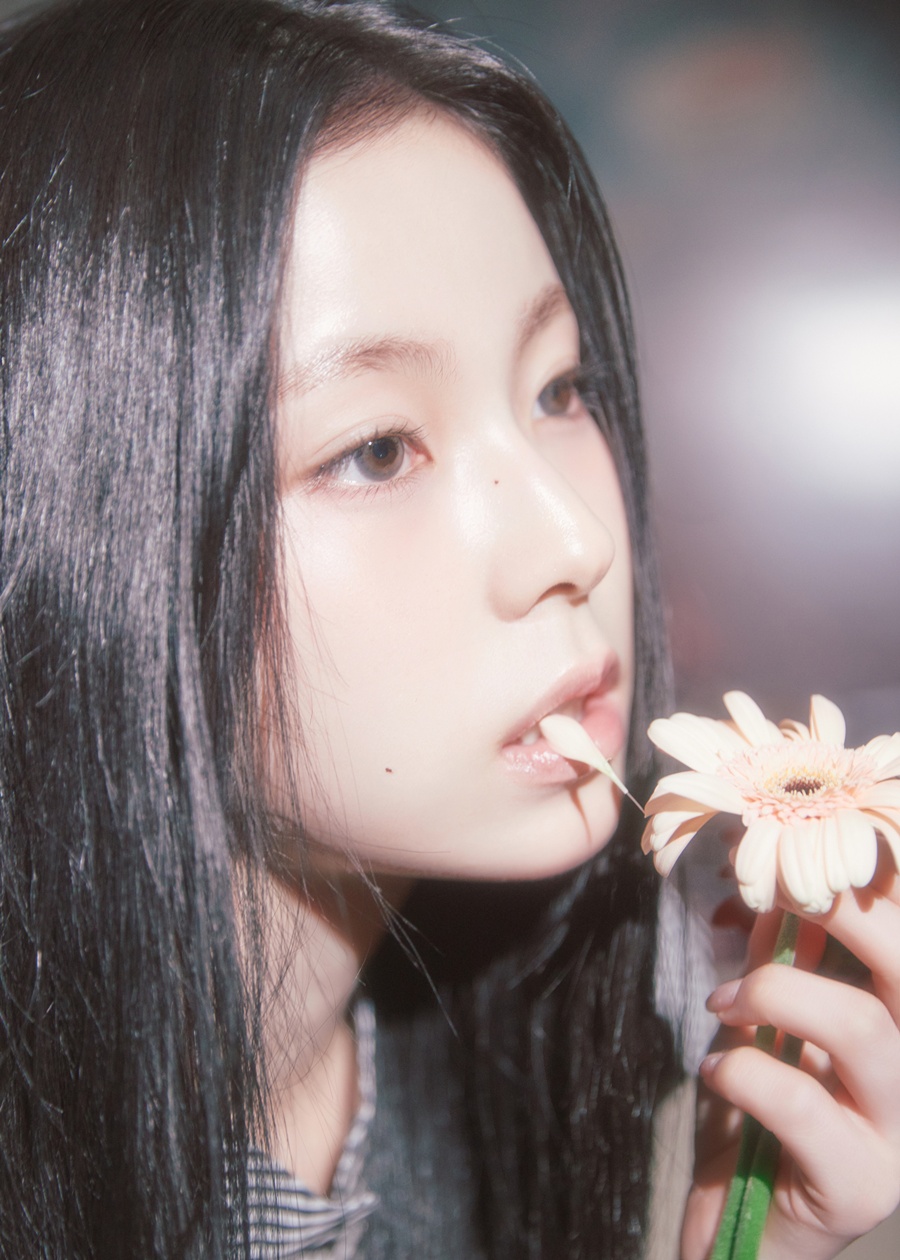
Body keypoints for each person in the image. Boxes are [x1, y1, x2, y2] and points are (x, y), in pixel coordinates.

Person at [0, 1, 898, 1258]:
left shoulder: (546, 1081)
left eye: (560, 387)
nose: (574, 542)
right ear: (76, 530)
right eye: (377, 449)